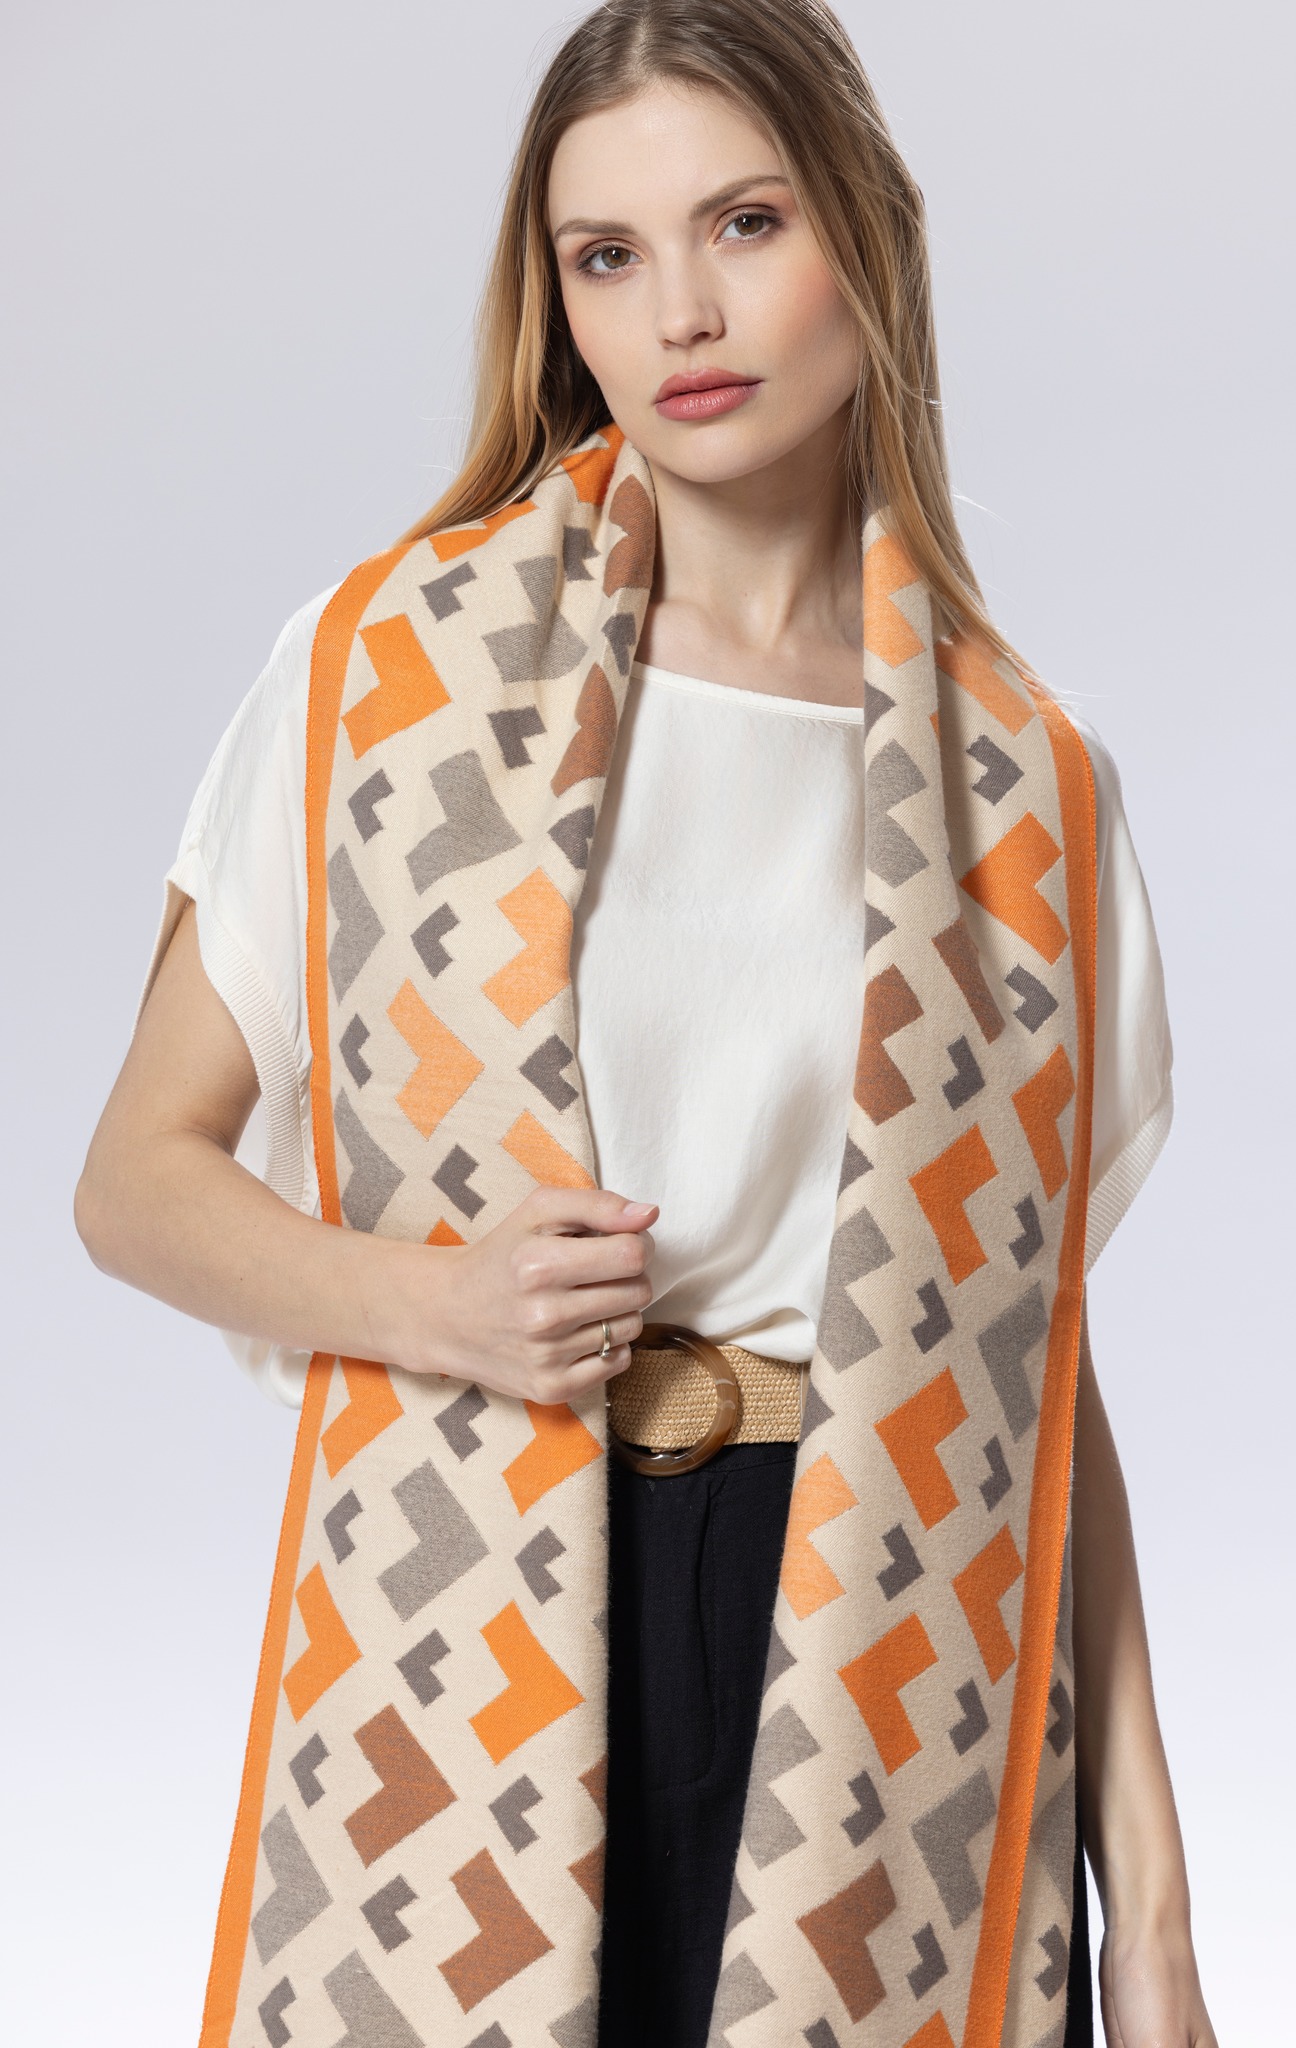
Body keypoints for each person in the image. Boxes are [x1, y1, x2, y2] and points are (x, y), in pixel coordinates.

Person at [75, 3, 1219, 2044]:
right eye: (605, 255)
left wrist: (1153, 1921)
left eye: (744, 223)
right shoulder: (387, 681)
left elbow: (1034, 1380)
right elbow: (134, 1182)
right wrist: (436, 1304)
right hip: (482, 1613)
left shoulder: (1029, 796)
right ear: (559, 305)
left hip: (880, 1654)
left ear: (866, 233)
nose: (680, 311)